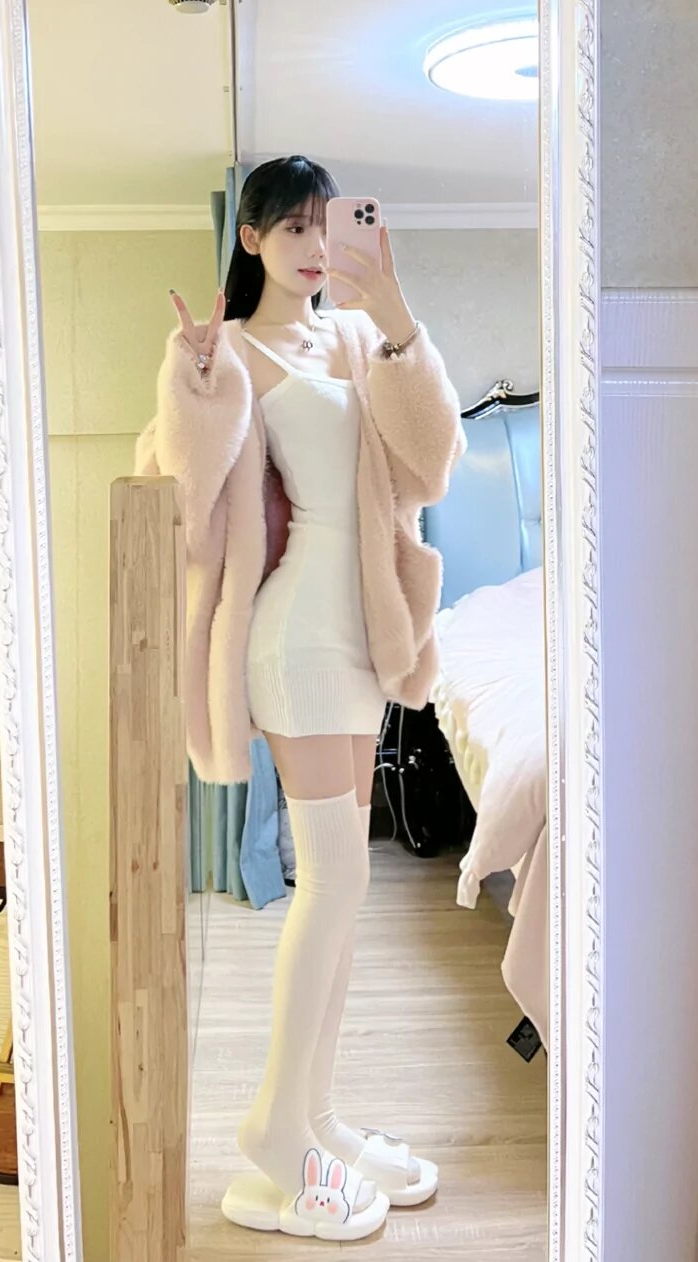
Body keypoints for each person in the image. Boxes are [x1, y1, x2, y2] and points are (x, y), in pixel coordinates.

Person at [136, 155, 466, 1242]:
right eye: (293, 228)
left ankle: (316, 1118)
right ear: (252, 238)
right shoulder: (229, 347)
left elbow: (431, 464)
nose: (315, 247)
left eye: (327, 227)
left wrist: (399, 319)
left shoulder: (360, 339)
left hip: (364, 635)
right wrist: (192, 384)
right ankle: (278, 1129)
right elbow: (182, 493)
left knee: (346, 884)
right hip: (299, 635)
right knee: (329, 881)